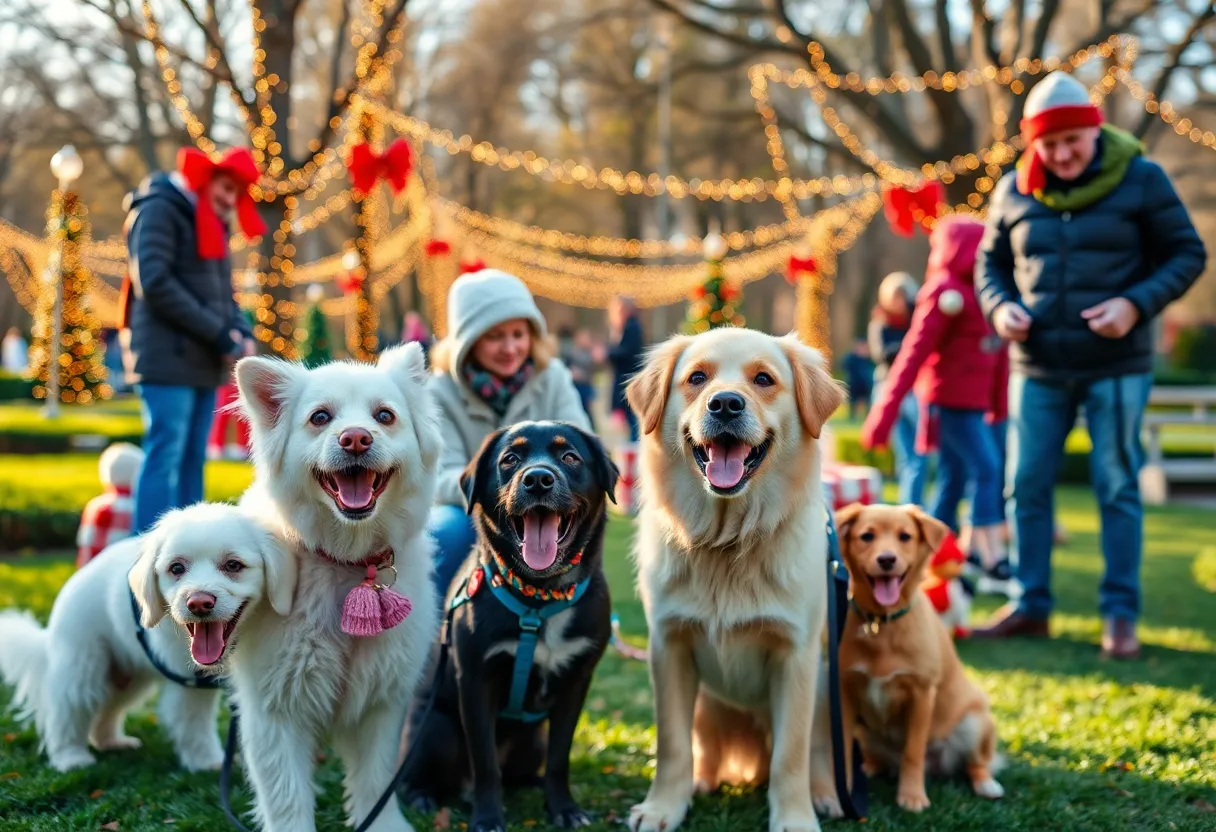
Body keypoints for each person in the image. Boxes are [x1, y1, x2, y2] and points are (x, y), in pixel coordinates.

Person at [973, 72, 1206, 658]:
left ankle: (1119, 615)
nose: (1061, 154)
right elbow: (989, 266)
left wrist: (1135, 304)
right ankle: (1031, 605)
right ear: (1033, 144)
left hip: (1118, 365)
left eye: (1072, 140)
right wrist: (1000, 309)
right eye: (1048, 145)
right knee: (1024, 486)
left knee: (1117, 486)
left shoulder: (1142, 178)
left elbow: (1187, 253)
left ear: (1094, 130)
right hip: (1038, 365)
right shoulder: (1014, 190)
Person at [121, 147, 265, 534]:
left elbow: (224, 294)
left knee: (191, 460)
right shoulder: (158, 209)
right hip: (166, 360)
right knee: (165, 455)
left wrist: (241, 330)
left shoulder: (212, 221)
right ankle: (146, 553)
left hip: (203, 360)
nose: (230, 200)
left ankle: (189, 550)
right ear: (206, 178)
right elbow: (154, 282)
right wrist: (219, 334)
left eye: (238, 193)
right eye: (226, 188)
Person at [862, 215, 1009, 581]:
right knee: (987, 469)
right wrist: (884, 414)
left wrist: (998, 405)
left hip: (975, 406)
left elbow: (997, 356)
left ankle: (940, 556)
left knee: (954, 480)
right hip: (948, 405)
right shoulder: (943, 292)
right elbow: (913, 354)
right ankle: (990, 554)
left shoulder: (985, 292)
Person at [427, 269, 591, 595]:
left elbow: (582, 452)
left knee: (582, 523)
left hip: (547, 501)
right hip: (469, 510)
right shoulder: (440, 392)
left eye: (518, 334)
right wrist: (504, 498)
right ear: (468, 341)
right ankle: (440, 632)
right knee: (445, 531)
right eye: (494, 336)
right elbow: (442, 476)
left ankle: (575, 614)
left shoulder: (552, 377)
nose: (510, 347)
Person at [867, 271, 928, 505]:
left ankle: (914, 505)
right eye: (894, 297)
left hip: (915, 391)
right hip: (889, 390)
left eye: (902, 297)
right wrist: (911, 348)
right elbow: (883, 354)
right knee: (909, 456)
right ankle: (910, 506)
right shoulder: (880, 321)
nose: (897, 304)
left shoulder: (917, 318)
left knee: (920, 455)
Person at [607, 296, 645, 442]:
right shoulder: (623, 328)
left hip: (629, 381)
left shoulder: (632, 327)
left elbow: (628, 352)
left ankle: (634, 452)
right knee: (629, 425)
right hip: (624, 380)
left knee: (633, 422)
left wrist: (607, 354)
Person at [558, 324, 597, 427]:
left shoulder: (589, 353)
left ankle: (591, 428)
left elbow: (590, 368)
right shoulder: (572, 351)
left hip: (586, 386)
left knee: (587, 410)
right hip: (577, 386)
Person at [842, 337, 874, 419]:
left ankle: (867, 417)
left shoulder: (868, 359)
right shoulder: (851, 358)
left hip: (865, 384)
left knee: (868, 401)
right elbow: (845, 366)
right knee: (853, 402)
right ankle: (852, 417)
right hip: (854, 384)